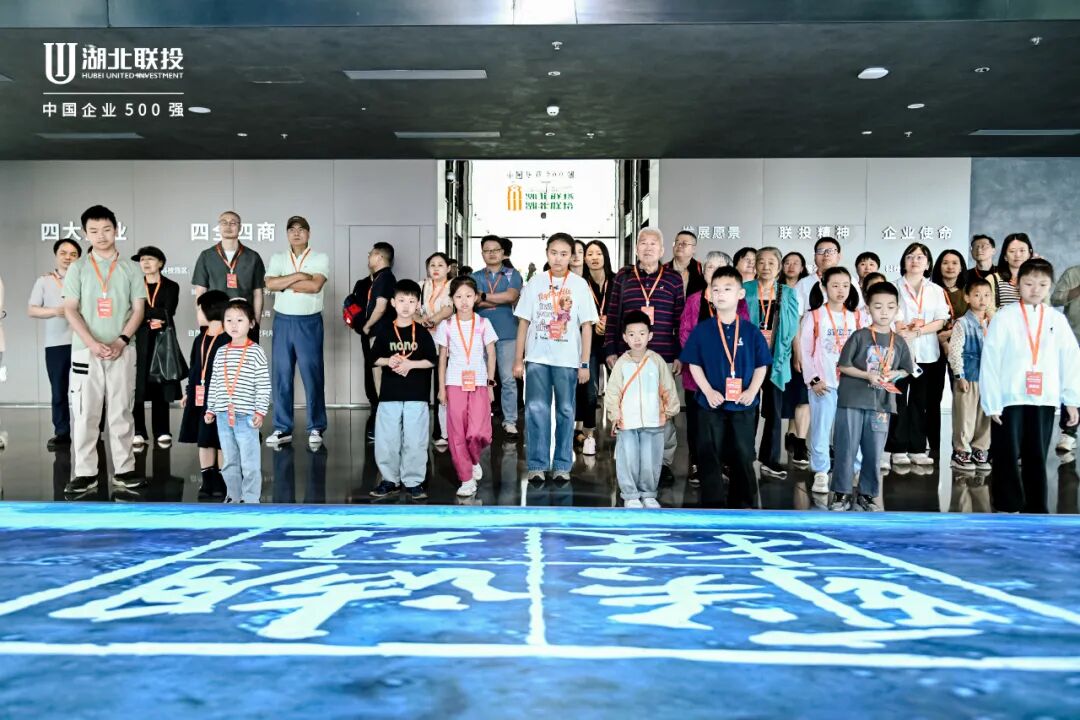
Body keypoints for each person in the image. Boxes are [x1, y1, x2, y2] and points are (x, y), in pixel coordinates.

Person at [980, 258, 1080, 513]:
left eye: (1042, 284)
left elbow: (1070, 359)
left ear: (1050, 286)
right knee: (1006, 452)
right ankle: (1007, 505)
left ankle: (1036, 508)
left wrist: (1071, 400)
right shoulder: (1004, 317)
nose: (1035, 289)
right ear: (1018, 284)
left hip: (1043, 398)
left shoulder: (1056, 319)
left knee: (1037, 454)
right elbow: (990, 360)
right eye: (1029, 283)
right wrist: (992, 401)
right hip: (1009, 397)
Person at [61, 205, 147, 495]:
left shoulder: (132, 268)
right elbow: (70, 309)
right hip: (85, 351)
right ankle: (85, 473)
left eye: (107, 229)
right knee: (85, 413)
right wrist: (92, 343)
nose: (101, 236)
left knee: (122, 410)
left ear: (117, 230)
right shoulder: (78, 268)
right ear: (84, 233)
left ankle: (124, 469)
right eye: (94, 231)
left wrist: (121, 340)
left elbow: (138, 309)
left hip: (123, 349)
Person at [681, 266, 772, 509]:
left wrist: (752, 391)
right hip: (710, 405)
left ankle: (744, 506)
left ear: (740, 294)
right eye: (716, 289)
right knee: (709, 454)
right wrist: (708, 391)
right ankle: (712, 506)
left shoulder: (751, 331)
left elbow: (762, 365)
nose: (720, 294)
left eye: (727, 289)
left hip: (742, 404)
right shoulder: (703, 330)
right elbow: (693, 364)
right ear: (709, 294)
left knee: (743, 455)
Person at [514, 233, 598, 484]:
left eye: (564, 254)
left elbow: (587, 326)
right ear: (547, 253)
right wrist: (518, 360)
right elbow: (523, 323)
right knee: (536, 409)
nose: (558, 258)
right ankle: (537, 464)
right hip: (537, 358)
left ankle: (562, 464)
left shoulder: (580, 285)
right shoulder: (535, 283)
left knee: (566, 410)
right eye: (554, 253)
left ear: (571, 256)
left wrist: (584, 363)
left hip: (567, 360)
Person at [604, 228, 684, 478]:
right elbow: (613, 315)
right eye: (643, 243)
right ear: (636, 249)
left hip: (664, 356)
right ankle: (632, 462)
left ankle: (664, 463)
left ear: (662, 250)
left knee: (662, 410)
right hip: (629, 357)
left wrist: (680, 354)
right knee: (630, 407)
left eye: (653, 244)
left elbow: (680, 320)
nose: (648, 248)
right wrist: (611, 349)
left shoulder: (673, 279)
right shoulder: (623, 277)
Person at [832, 282, 915, 511]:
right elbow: (843, 365)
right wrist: (867, 375)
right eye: (878, 307)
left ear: (897, 309)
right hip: (852, 400)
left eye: (890, 307)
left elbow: (907, 369)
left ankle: (867, 494)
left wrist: (895, 374)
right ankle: (841, 493)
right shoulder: (860, 336)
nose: (884, 312)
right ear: (868, 308)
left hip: (881, 404)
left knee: (874, 451)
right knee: (846, 448)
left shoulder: (899, 341)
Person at [679, 251, 748, 486]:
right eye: (710, 267)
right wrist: (702, 360)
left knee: (726, 419)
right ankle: (697, 463)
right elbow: (685, 334)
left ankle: (724, 462)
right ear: (704, 272)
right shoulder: (694, 300)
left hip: (727, 373)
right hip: (697, 374)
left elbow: (744, 331)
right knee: (697, 422)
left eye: (720, 267)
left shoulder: (739, 302)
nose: (715, 272)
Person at [263, 216, 330, 448]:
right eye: (292, 229)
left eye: (301, 229)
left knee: (312, 374)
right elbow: (270, 284)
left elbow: (315, 286)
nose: (296, 233)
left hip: (308, 323)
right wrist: (300, 276)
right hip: (283, 321)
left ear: (308, 233)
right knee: (281, 374)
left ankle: (316, 426)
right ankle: (282, 427)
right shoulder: (278, 257)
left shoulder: (320, 257)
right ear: (287, 234)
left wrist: (284, 283)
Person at [605, 309, 681, 508]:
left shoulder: (657, 361)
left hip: (654, 420)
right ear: (624, 337)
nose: (637, 339)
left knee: (651, 458)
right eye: (631, 334)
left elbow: (668, 387)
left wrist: (669, 410)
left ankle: (648, 493)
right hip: (627, 422)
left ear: (650, 335)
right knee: (628, 457)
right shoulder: (621, 363)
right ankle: (630, 494)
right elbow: (613, 392)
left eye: (641, 333)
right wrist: (614, 414)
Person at [370, 279, 438, 501]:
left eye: (411, 301)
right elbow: (373, 358)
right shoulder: (384, 330)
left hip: (416, 395)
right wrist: (388, 361)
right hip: (389, 395)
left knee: (415, 439)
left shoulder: (423, 333)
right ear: (393, 302)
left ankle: (414, 481)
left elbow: (432, 360)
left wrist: (411, 364)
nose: (406, 306)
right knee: (387, 439)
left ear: (418, 304)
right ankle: (389, 479)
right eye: (401, 300)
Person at [799, 266, 861, 494]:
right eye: (835, 285)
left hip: (851, 385)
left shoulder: (857, 316)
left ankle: (854, 469)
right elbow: (805, 350)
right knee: (821, 430)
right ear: (824, 287)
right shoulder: (815, 315)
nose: (841, 290)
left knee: (852, 430)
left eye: (845, 285)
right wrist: (813, 379)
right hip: (823, 384)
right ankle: (821, 472)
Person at [888, 242, 950, 468]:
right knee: (898, 401)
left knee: (919, 402)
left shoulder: (936, 290)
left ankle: (917, 448)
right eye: (910, 256)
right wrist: (902, 329)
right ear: (903, 261)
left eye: (920, 257)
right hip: (899, 353)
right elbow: (890, 314)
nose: (914, 261)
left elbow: (941, 319)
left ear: (928, 263)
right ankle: (897, 448)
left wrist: (918, 332)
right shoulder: (893, 287)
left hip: (927, 354)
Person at [204, 299, 270, 503]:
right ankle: (233, 496)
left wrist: (260, 411)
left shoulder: (256, 351)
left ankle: (251, 499)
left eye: (240, 320)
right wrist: (211, 409)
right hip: (224, 416)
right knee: (229, 461)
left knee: (250, 463)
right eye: (229, 320)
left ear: (251, 323)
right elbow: (215, 382)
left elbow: (263, 384)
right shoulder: (221, 351)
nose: (234, 325)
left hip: (246, 416)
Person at [437, 276, 497, 497]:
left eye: (468, 296)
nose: (464, 301)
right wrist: (441, 388)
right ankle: (466, 478)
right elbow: (442, 359)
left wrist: (490, 384)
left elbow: (491, 354)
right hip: (454, 383)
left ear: (476, 298)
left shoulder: (483, 323)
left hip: (479, 383)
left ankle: (473, 459)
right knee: (457, 434)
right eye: (458, 296)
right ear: (452, 299)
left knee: (479, 432)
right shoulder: (446, 325)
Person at [743, 247, 799, 479]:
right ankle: (744, 456)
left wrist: (788, 354)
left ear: (778, 267)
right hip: (748, 359)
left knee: (775, 410)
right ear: (755, 265)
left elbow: (793, 325)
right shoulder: (745, 289)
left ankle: (771, 459)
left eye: (771, 263)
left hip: (777, 358)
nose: (766, 267)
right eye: (761, 262)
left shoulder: (788, 292)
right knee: (747, 407)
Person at [28, 238, 81, 450]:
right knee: (59, 390)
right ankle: (62, 432)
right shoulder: (44, 281)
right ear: (56, 255)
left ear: (79, 257)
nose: (68, 257)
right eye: (63, 253)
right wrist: (54, 311)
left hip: (84, 342)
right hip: (56, 344)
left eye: (73, 254)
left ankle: (91, 431)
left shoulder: (85, 279)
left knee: (88, 391)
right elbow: (32, 309)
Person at [180, 289, 231, 499]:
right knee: (204, 439)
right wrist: (188, 392)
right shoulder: (199, 339)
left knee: (220, 440)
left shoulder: (229, 339)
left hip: (221, 400)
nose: (197, 313)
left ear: (211, 311)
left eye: (199, 309)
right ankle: (207, 479)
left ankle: (222, 480)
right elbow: (194, 368)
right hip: (199, 398)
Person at [472, 236, 524, 438]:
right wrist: (498, 300)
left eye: (496, 250)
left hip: (508, 333)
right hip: (480, 334)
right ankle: (481, 418)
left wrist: (484, 297)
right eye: (487, 250)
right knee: (481, 379)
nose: (492, 253)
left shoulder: (512, 274)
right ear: (482, 254)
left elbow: (511, 296)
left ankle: (510, 421)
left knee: (508, 379)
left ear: (503, 253)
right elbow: (472, 301)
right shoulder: (475, 276)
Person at [131, 245, 181, 447]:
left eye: (150, 259)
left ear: (160, 263)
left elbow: (168, 311)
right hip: (139, 339)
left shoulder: (171, 286)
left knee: (161, 382)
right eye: (142, 260)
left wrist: (144, 314)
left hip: (162, 339)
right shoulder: (134, 284)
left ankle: (162, 430)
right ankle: (138, 430)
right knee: (137, 383)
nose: (145, 263)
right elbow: (131, 311)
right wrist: (148, 316)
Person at [192, 210, 266, 339]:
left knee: (243, 353)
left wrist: (256, 323)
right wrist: (203, 320)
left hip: (243, 321)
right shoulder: (207, 256)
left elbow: (258, 293)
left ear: (240, 227)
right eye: (224, 222)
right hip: (215, 321)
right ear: (219, 227)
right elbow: (200, 291)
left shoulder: (253, 257)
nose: (228, 226)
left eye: (233, 223)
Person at [947, 277, 993, 471]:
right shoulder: (963, 323)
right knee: (965, 416)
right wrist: (959, 375)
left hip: (988, 378)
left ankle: (979, 449)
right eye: (977, 295)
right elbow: (954, 351)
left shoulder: (993, 323)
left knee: (985, 416)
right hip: (968, 377)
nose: (982, 299)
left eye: (987, 295)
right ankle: (961, 452)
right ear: (967, 297)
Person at [351, 242, 396, 434]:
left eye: (371, 254)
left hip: (379, 333)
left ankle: (386, 423)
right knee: (377, 375)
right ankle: (384, 420)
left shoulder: (385, 278)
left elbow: (381, 306)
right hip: (378, 334)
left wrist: (367, 326)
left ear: (379, 256)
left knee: (380, 377)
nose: (368, 257)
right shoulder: (379, 278)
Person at [927, 248, 969, 451]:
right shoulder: (931, 290)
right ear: (938, 267)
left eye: (954, 263)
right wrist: (942, 340)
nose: (950, 267)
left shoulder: (968, 292)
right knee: (932, 397)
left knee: (961, 396)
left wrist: (951, 339)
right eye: (945, 263)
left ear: (961, 267)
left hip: (960, 350)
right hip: (934, 347)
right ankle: (933, 444)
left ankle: (961, 444)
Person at [579, 240, 616, 456]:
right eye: (590, 254)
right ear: (585, 259)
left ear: (605, 257)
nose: (594, 257)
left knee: (619, 388)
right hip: (589, 343)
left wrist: (609, 321)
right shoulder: (580, 284)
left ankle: (622, 429)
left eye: (598, 253)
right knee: (590, 392)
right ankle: (589, 436)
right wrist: (593, 324)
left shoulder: (617, 281)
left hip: (613, 342)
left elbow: (622, 308)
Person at [421, 252, 455, 448]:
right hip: (424, 343)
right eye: (432, 265)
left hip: (446, 344)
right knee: (422, 389)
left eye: (440, 265)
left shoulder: (453, 286)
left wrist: (432, 320)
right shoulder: (422, 286)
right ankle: (421, 432)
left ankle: (442, 432)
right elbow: (413, 309)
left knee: (442, 388)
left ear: (448, 268)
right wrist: (421, 319)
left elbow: (449, 308)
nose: (435, 268)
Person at [1051, 262, 1080, 453]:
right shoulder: (1073, 274)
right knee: (1072, 384)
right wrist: (1077, 290)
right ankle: (1068, 433)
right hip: (1075, 339)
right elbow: (1055, 300)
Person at [989, 232, 1033, 310]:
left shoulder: (1037, 280)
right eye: (1012, 251)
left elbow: (1043, 306)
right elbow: (988, 308)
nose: (1017, 255)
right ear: (1005, 256)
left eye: (1022, 250)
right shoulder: (992, 279)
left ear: (1029, 254)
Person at [666, 229, 707, 298]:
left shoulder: (702, 269)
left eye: (684, 244)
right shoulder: (663, 269)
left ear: (694, 249)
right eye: (677, 242)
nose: (679, 245)